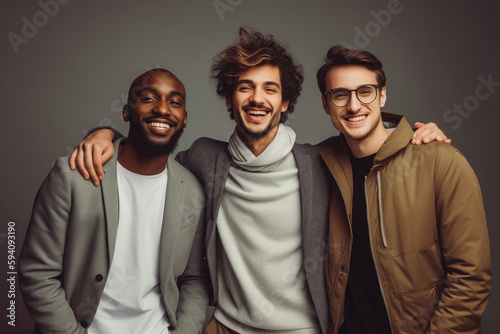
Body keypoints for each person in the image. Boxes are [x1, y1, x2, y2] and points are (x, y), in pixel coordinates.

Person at [67, 28, 450, 333]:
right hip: (224, 326)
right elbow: (150, 151)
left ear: (285, 103)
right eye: (245, 87)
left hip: (303, 329)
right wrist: (108, 134)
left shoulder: (325, 162)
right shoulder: (204, 159)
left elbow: (376, 146)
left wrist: (419, 137)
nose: (257, 99)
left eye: (270, 89)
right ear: (230, 100)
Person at [316, 45, 492, 334]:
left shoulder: (441, 162)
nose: (354, 106)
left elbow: (471, 277)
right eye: (340, 95)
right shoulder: (320, 164)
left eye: (365, 91)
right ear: (326, 104)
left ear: (382, 94)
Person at [19, 69, 210, 334]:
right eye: (148, 98)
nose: (163, 109)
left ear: (184, 119)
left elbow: (194, 280)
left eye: (175, 103)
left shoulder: (193, 192)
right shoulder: (72, 177)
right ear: (126, 112)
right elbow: (37, 274)